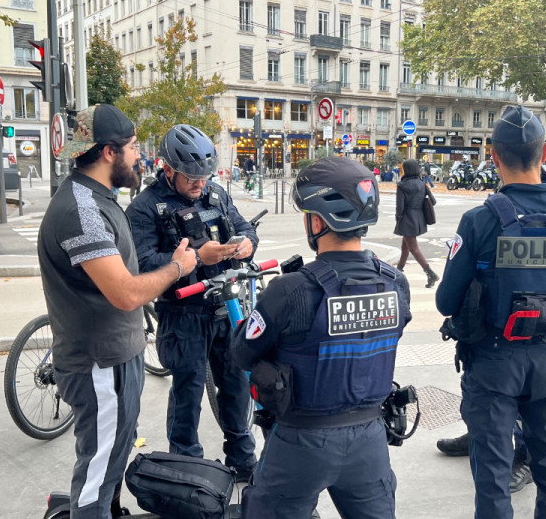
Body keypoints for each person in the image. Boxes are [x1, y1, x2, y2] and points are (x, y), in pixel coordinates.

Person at [436, 105, 546, 518]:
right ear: (544, 153)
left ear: (493, 155)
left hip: (493, 364)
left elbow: (444, 302)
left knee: (492, 481)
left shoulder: (480, 222)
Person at [38, 104, 198, 518]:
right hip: (100, 365)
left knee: (110, 459)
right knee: (97, 473)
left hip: (114, 359)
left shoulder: (97, 198)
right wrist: (178, 267)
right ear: (109, 152)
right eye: (132, 146)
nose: (139, 155)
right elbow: (126, 294)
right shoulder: (81, 211)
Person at [232, 156, 412, 518]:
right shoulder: (396, 284)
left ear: (317, 221)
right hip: (370, 440)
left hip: (301, 441)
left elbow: (242, 354)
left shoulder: (290, 290)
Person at [126, 124, 259, 480]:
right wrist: (199, 257)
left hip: (225, 308)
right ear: (167, 169)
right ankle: (188, 471)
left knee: (235, 387)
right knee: (187, 392)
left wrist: (246, 244)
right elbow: (140, 264)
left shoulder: (214, 195)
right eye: (191, 177)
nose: (200, 184)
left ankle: (243, 460)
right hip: (182, 314)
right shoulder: (145, 208)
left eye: (205, 176)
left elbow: (245, 228)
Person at [395, 159, 440, 288]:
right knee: (405, 247)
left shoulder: (401, 185)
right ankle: (398, 271)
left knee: (413, 248)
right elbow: (433, 201)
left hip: (407, 219)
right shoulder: (422, 184)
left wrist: (398, 219)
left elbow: (400, 207)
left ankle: (430, 272)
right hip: (419, 219)